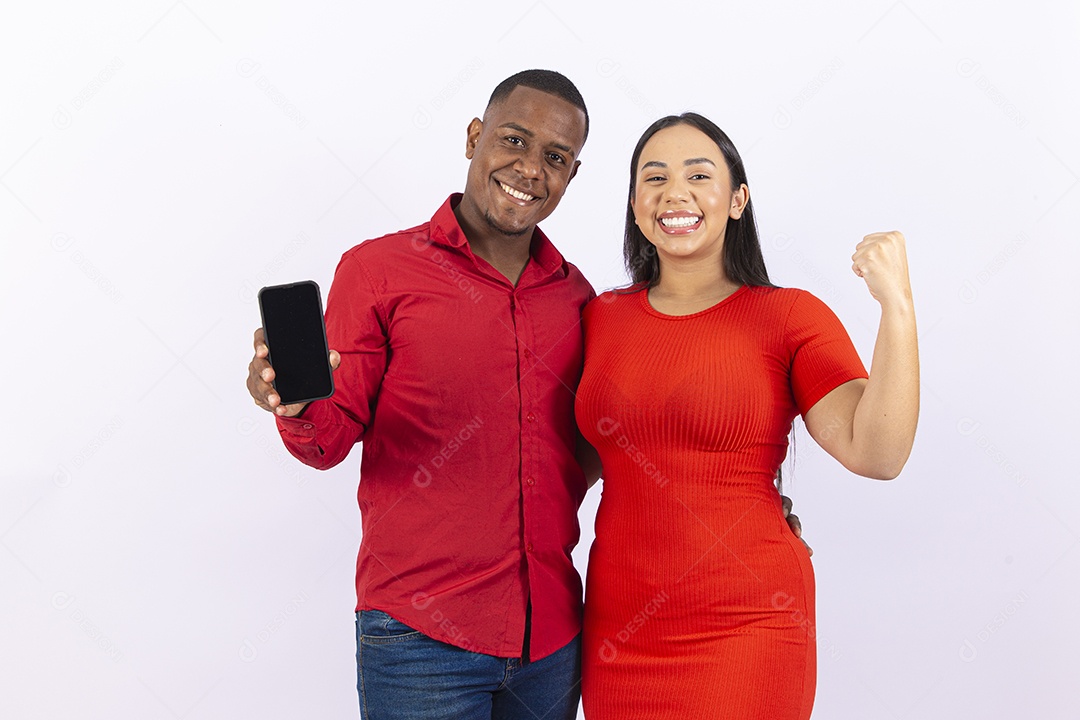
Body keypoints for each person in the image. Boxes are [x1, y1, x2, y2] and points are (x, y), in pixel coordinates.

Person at [246, 72, 808, 720]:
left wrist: (742, 512)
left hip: (552, 645)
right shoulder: (378, 272)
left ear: (572, 175)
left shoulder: (580, 301)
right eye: (513, 140)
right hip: (420, 643)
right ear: (475, 137)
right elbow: (329, 438)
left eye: (555, 157)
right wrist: (291, 401)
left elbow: (614, 442)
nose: (530, 168)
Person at [574, 113, 919, 720]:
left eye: (698, 175)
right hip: (619, 630)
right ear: (634, 206)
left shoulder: (788, 317)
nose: (674, 192)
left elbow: (877, 452)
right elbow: (565, 460)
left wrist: (897, 306)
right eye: (654, 177)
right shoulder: (599, 318)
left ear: (737, 201)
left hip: (748, 625)